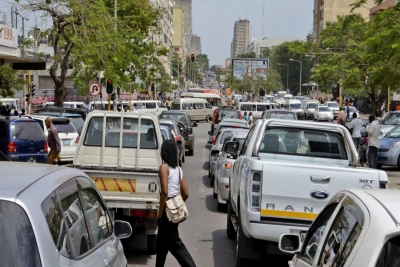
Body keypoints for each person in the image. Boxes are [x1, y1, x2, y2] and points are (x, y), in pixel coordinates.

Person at [156, 140, 196, 267]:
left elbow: (164, 193)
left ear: (165, 152)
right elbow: (186, 193)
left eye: (162, 150)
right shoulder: (178, 169)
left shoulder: (164, 167)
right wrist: (177, 205)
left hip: (166, 210)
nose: (160, 152)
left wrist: (160, 214)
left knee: (176, 245)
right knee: (162, 245)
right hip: (174, 209)